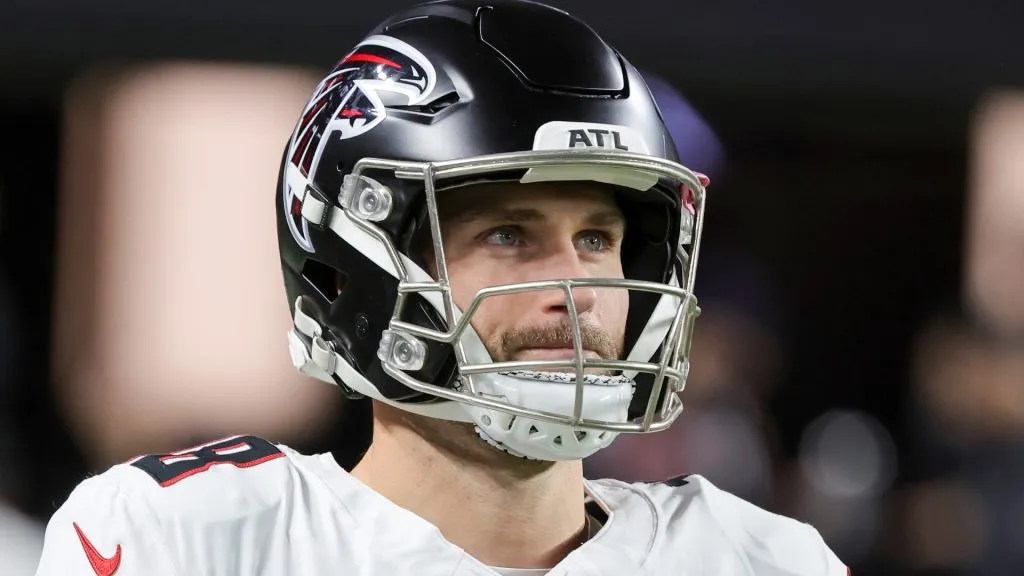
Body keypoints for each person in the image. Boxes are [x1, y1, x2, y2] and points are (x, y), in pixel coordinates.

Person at [35, 1, 850, 574]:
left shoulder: (761, 560)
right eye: (509, 235)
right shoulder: (194, 542)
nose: (574, 287)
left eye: (597, 238)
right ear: (355, 263)